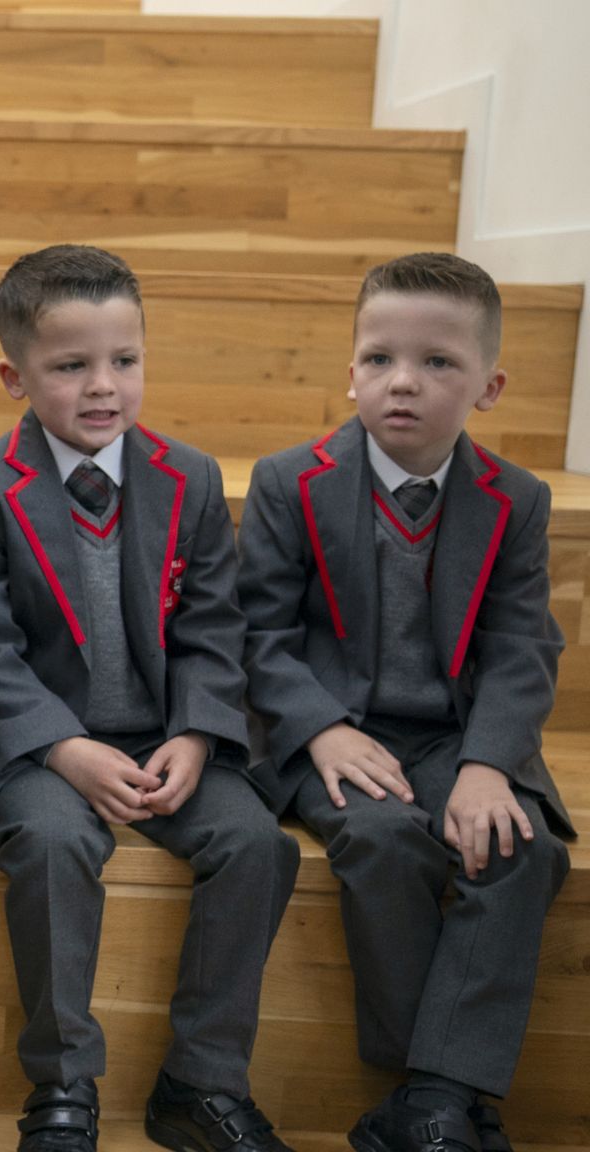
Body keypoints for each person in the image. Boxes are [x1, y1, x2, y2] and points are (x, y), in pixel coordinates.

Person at [0, 245, 299, 1152]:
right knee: (56, 842)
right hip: (38, 749)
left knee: (255, 841)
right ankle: (62, 1083)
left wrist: (195, 733)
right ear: (14, 377)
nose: (103, 387)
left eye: (124, 361)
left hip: (163, 732)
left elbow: (215, 632)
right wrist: (62, 748)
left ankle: (202, 1079)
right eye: (70, 366)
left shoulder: (187, 479)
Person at [237, 252, 573, 1152]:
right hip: (332, 730)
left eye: (438, 363)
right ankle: (443, 1099)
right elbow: (257, 637)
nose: (404, 383)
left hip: (459, 732)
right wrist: (320, 730)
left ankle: (430, 1098)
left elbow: (521, 645)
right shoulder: (288, 483)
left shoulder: (519, 500)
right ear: (350, 372)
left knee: (518, 850)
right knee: (384, 838)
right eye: (380, 358)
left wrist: (487, 765)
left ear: (489, 386)